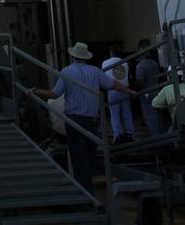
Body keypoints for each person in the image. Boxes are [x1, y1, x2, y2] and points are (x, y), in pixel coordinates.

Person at [32, 41, 136, 194]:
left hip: (73, 121)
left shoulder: (66, 71)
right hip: (91, 121)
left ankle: (85, 192)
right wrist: (131, 91)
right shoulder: (95, 71)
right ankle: (93, 187)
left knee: (78, 158)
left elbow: (55, 94)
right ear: (86, 57)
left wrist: (36, 91)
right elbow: (113, 84)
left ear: (73, 56)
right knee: (90, 155)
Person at [101, 50, 134, 142]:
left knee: (115, 116)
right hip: (125, 89)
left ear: (111, 53)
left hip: (113, 90)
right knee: (127, 115)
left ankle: (117, 137)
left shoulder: (106, 62)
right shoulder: (125, 63)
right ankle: (131, 135)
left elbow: (103, 77)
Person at [135, 40, 163, 136]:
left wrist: (136, 91)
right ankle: (161, 136)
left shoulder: (141, 66)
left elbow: (139, 82)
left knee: (150, 118)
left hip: (146, 94)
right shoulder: (154, 63)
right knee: (157, 117)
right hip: (156, 91)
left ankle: (156, 138)